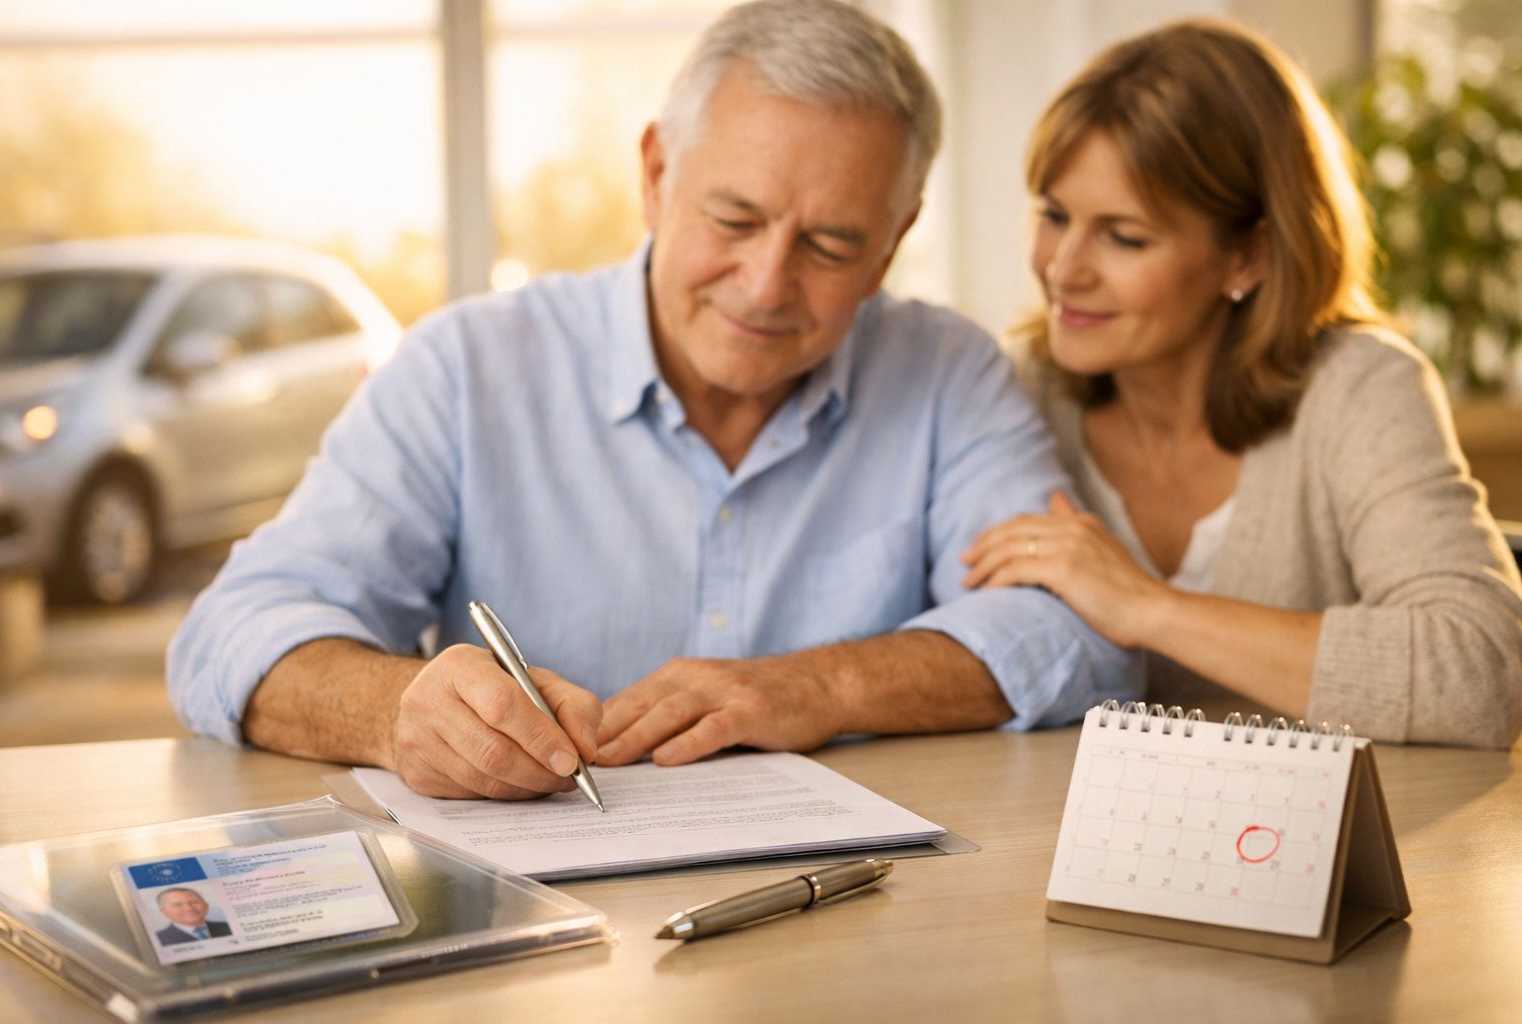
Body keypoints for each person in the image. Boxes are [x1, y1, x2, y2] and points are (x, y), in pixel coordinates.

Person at [167, 0, 1139, 799]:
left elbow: (1079, 634)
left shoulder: (947, 372)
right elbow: (233, 633)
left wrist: (821, 685)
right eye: (734, 217)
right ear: (657, 174)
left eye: (833, 245)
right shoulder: (468, 367)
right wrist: (395, 711)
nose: (764, 285)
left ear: (894, 239)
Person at [961, 19, 1522, 749]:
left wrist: (1147, 607)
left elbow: (1481, 675)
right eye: (1054, 216)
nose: (1063, 269)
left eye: (1124, 237)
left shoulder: (1359, 390)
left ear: (1248, 256)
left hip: (1332, 849)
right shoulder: (1018, 394)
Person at [153, 888, 232, 946]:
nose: (189, 909)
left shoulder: (229, 926)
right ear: (164, 911)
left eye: (194, 902)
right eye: (177, 905)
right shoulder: (157, 939)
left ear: (206, 905)